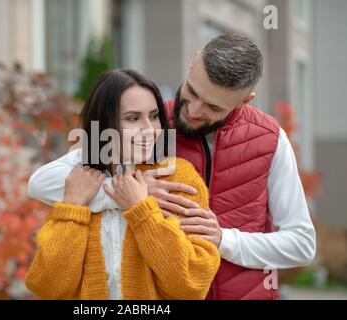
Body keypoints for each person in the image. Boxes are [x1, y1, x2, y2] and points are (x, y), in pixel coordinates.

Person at [28, 34, 316, 300]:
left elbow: (301, 243)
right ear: (191, 66)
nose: (193, 111)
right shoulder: (150, 122)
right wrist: (123, 192)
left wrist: (223, 239)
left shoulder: (269, 139)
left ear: (244, 101)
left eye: (213, 107)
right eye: (191, 91)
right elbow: (47, 180)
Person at [25, 69, 220, 300]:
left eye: (154, 115)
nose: (149, 128)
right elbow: (49, 286)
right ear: (105, 123)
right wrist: (72, 209)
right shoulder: (82, 183)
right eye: (133, 118)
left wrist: (142, 212)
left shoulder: (177, 178)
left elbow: (190, 285)